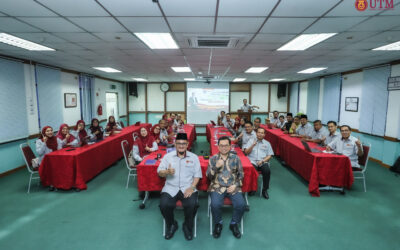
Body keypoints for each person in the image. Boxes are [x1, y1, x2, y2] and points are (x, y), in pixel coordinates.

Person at [158, 133, 202, 241]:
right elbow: (159, 172)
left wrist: (192, 188)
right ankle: (172, 224)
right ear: (175, 144)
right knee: (164, 205)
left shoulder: (194, 157)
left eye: (183, 144)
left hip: (188, 187)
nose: (181, 146)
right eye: (179, 143)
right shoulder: (167, 157)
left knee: (193, 204)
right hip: (170, 187)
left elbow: (197, 176)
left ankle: (187, 226)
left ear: (187, 144)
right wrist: (167, 172)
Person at [207, 136, 245, 239]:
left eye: (226, 145)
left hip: (233, 186)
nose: (224, 148)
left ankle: (234, 224)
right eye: (221, 145)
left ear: (230, 146)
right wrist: (216, 167)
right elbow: (209, 177)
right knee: (215, 204)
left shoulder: (236, 158)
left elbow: (241, 174)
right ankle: (218, 223)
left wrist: (235, 185)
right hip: (217, 186)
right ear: (218, 147)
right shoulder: (213, 159)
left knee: (241, 204)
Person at [244, 127, 274, 199]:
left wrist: (263, 161)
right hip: (252, 161)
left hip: (262, 161)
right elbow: (246, 152)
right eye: (259, 132)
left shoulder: (267, 143)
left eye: (262, 133)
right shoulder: (251, 141)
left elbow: (270, 155)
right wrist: (252, 145)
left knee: (267, 171)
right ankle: (253, 188)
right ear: (256, 133)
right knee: (251, 171)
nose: (260, 134)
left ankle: (265, 190)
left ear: (264, 135)